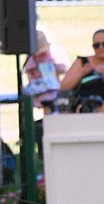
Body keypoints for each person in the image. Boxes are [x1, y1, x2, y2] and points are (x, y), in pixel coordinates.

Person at [59, 29, 104, 113]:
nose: (101, 48)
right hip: (82, 107)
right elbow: (63, 86)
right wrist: (82, 73)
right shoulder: (81, 62)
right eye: (97, 45)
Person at [23, 30, 70, 158]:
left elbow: (64, 69)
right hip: (40, 91)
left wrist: (55, 68)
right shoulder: (33, 59)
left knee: (53, 112)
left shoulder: (52, 56)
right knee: (46, 113)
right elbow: (28, 72)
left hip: (53, 90)